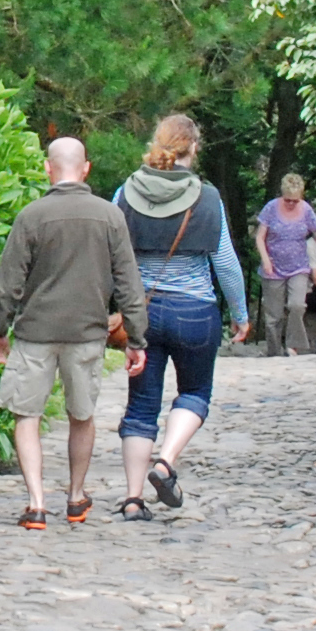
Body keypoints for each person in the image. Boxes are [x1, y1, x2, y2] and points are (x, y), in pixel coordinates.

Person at [0, 135, 147, 530]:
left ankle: (36, 503)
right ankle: (76, 497)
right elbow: (129, 282)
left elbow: (8, 282)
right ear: (86, 168)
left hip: (36, 331)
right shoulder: (110, 216)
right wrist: (137, 337)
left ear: (48, 168)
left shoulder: (31, 216)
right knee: (82, 414)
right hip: (87, 331)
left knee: (27, 415)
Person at [113, 114, 249, 517]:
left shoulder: (125, 193)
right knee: (194, 393)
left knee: (140, 408)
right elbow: (224, 261)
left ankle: (134, 499)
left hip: (143, 313)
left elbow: (112, 254)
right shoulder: (208, 198)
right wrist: (239, 312)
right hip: (194, 310)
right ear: (194, 148)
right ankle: (166, 461)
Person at [253, 171, 316, 357]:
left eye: (295, 201)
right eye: (288, 200)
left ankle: (292, 345)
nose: (291, 204)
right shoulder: (271, 208)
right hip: (273, 266)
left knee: (297, 305)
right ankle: (274, 351)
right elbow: (260, 237)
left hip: (299, 267)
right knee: (274, 315)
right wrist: (265, 259)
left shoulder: (306, 210)